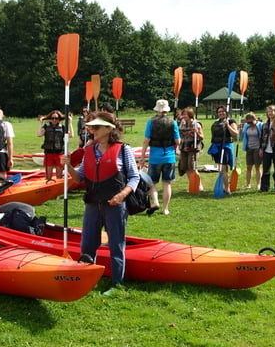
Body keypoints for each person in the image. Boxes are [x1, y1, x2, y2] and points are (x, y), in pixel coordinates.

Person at [61, 112, 139, 297]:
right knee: (87, 243)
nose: (92, 130)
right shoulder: (89, 150)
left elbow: (134, 178)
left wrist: (121, 196)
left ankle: (117, 282)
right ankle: (86, 276)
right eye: (91, 127)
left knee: (116, 244)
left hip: (115, 204)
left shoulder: (123, 149)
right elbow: (80, 177)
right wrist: (68, 166)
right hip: (93, 203)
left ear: (109, 129)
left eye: (96, 127)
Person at [139, 99, 180, 215]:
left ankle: (156, 202)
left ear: (157, 110)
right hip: (169, 157)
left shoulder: (150, 122)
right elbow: (178, 140)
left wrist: (142, 156)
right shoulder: (173, 122)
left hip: (155, 157)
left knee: (152, 183)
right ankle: (165, 209)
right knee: (167, 183)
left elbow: (146, 140)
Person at [207, 105, 239, 196]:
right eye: (219, 112)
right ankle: (225, 186)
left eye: (223, 111)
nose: (221, 113)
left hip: (225, 147)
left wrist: (228, 125)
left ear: (226, 112)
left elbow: (235, 134)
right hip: (216, 147)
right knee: (221, 168)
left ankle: (227, 189)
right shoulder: (216, 122)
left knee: (223, 169)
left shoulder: (231, 121)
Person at [37, 109, 73, 182]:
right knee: (48, 176)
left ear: (59, 119)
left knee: (59, 176)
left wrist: (70, 123)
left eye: (56, 118)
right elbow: (39, 134)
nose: (54, 120)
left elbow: (71, 135)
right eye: (52, 118)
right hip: (48, 153)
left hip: (59, 153)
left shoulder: (62, 127)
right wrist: (40, 123)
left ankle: (58, 189)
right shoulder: (46, 126)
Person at [177, 107, 204, 191]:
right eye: (183, 114)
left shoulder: (196, 124)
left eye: (185, 114)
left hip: (193, 148)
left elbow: (202, 137)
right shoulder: (183, 123)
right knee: (185, 167)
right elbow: (179, 134)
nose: (183, 116)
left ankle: (199, 186)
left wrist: (197, 132)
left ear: (190, 115)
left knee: (192, 167)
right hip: (184, 147)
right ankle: (192, 185)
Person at [241, 112, 263, 190]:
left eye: (251, 122)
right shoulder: (247, 126)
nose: (249, 124)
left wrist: (261, 148)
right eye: (248, 122)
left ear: (254, 119)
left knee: (257, 166)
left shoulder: (260, 125)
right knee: (249, 167)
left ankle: (258, 184)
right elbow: (242, 136)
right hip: (249, 148)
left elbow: (263, 137)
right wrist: (240, 129)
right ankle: (248, 184)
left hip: (257, 148)